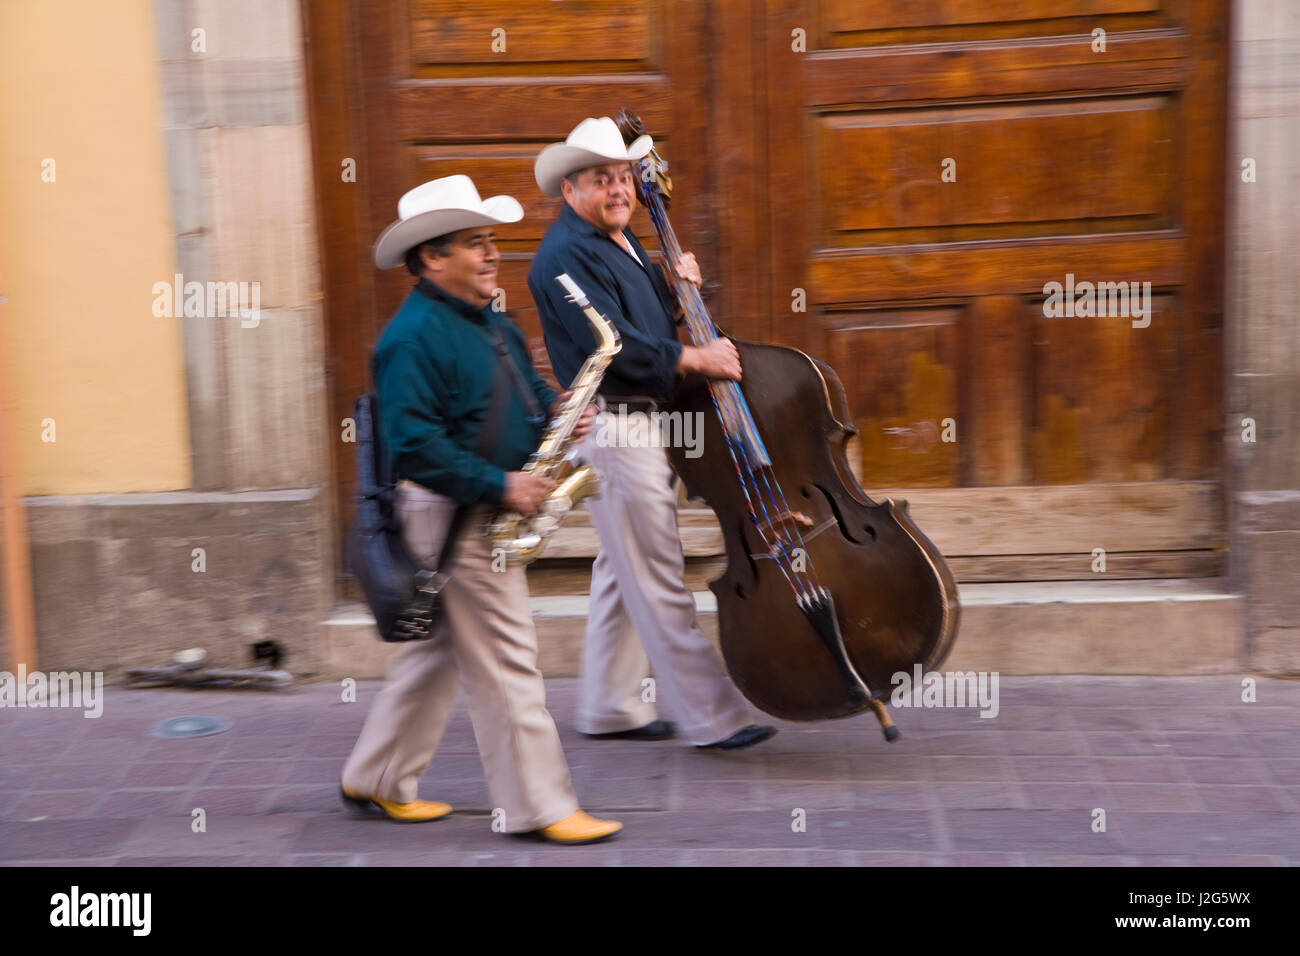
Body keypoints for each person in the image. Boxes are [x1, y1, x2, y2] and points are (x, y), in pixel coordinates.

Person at [340, 174, 619, 845]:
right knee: (508, 660)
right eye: (474, 243)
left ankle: (374, 777)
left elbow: (518, 391)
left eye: (491, 240)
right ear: (432, 258)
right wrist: (501, 486)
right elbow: (413, 445)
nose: (492, 253)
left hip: (479, 502)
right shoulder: (410, 338)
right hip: (455, 513)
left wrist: (555, 412)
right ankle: (540, 807)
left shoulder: (489, 315)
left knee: (435, 653)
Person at [528, 118, 776, 750]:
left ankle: (610, 705)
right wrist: (697, 359)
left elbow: (641, 317)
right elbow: (612, 345)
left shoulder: (620, 239)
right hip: (614, 428)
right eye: (600, 180)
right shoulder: (561, 257)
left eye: (622, 178)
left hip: (642, 422)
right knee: (660, 573)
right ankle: (713, 718)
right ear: (569, 189)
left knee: (622, 568)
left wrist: (670, 286)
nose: (619, 190)